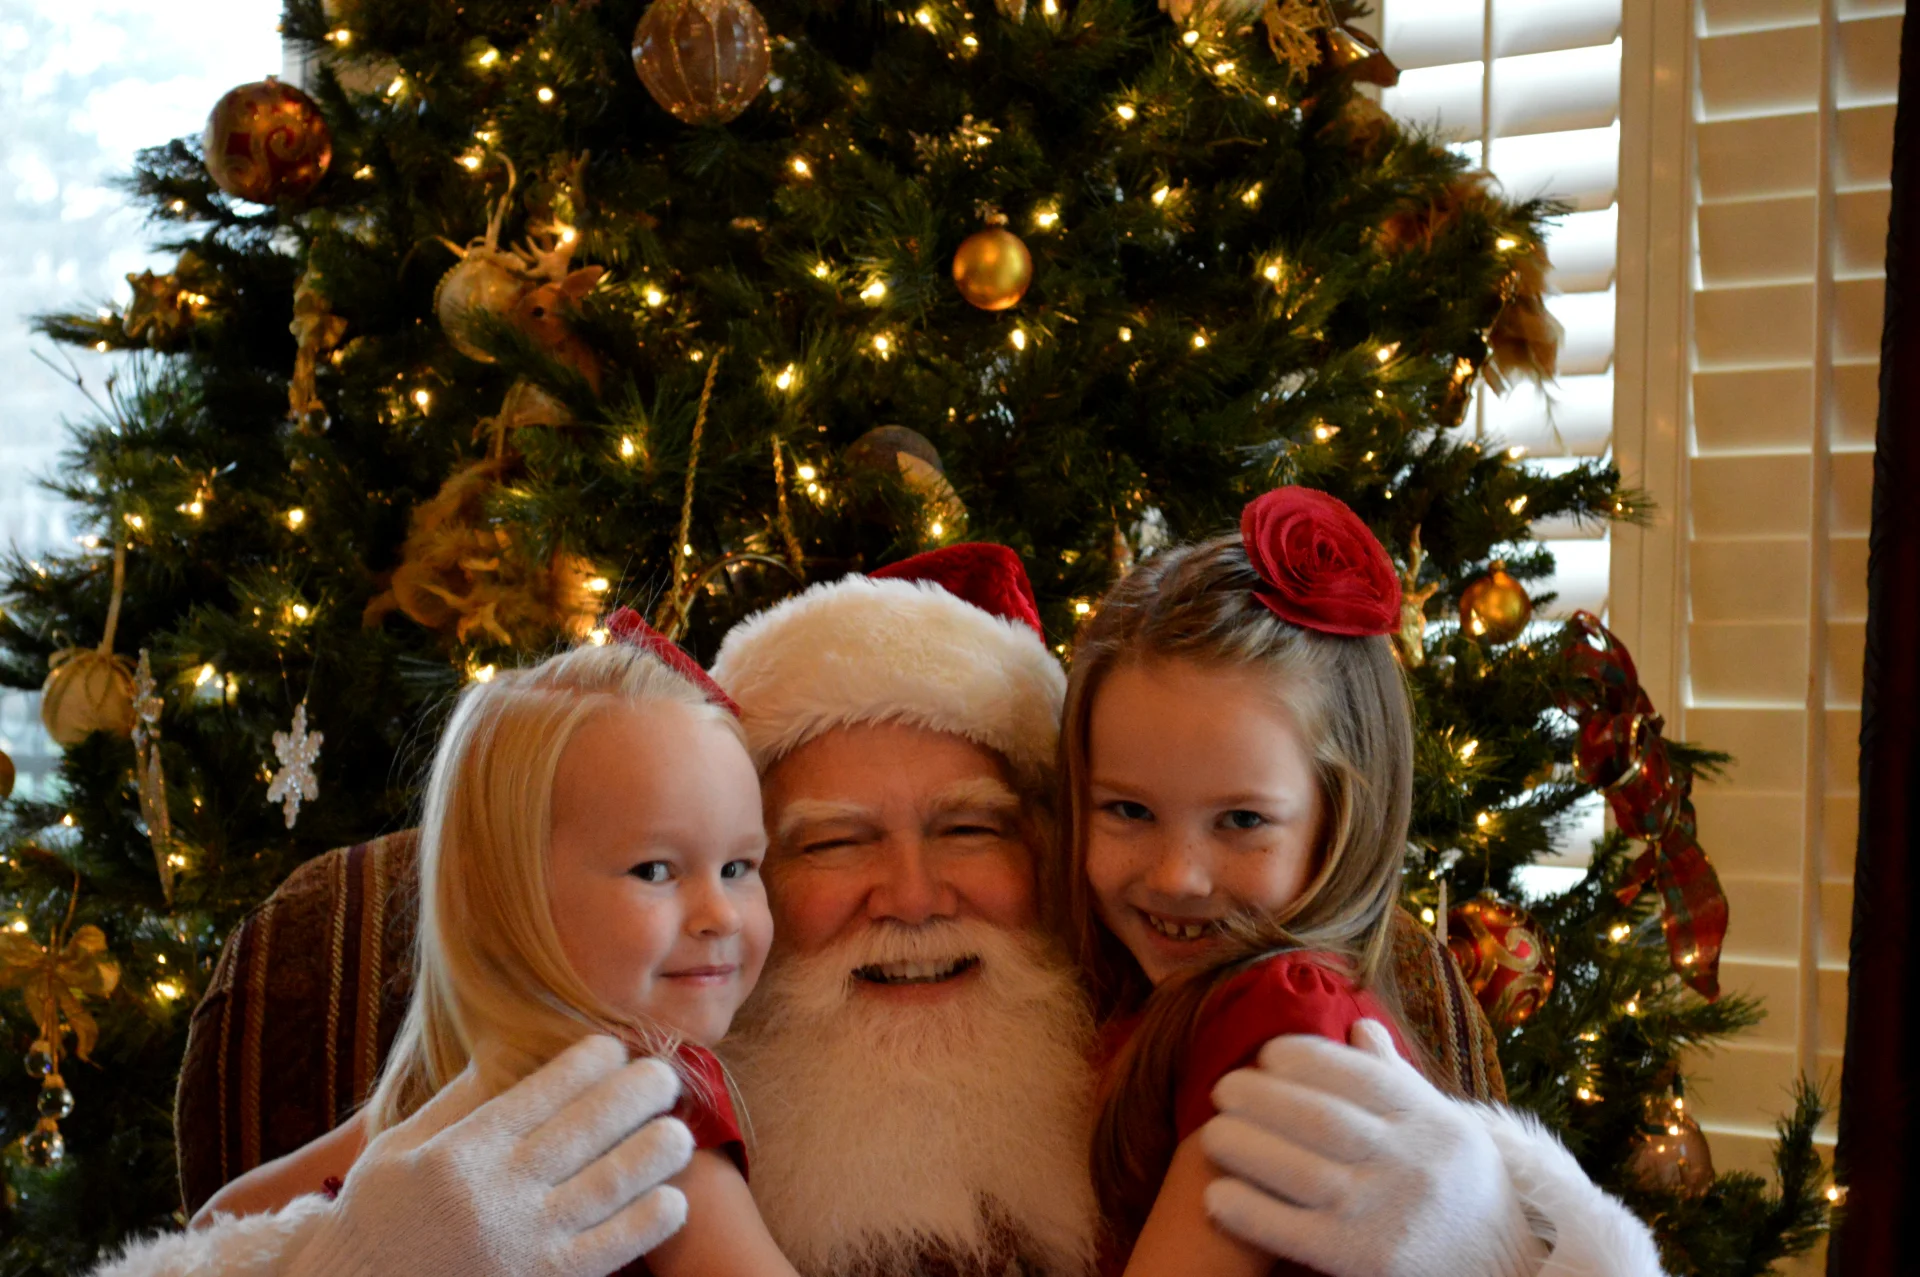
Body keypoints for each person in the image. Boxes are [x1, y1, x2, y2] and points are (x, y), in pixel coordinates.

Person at [99, 542, 1665, 1277]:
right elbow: (225, 1238)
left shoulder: (1195, 1025)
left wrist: (1496, 1242)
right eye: (828, 842)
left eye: (974, 828)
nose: (913, 896)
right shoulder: (613, 1081)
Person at [127, 631, 799, 1277]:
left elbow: (212, 1235)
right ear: (499, 894)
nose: (720, 915)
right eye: (654, 870)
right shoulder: (645, 1102)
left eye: (739, 867)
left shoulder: (434, 1092)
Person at [1067, 488, 1512, 1275]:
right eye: (1129, 810)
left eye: (1241, 820)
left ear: (1342, 820)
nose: (1176, 875)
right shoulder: (1165, 996)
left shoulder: (1283, 1018)